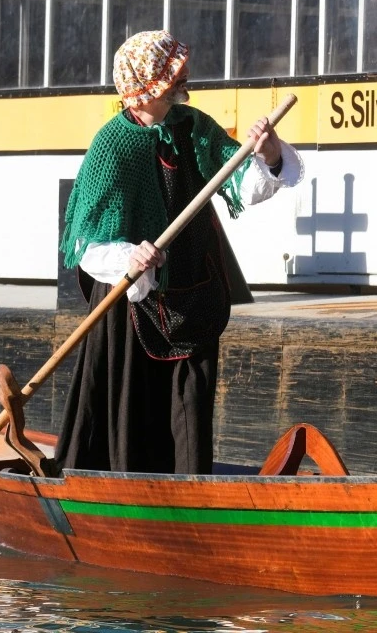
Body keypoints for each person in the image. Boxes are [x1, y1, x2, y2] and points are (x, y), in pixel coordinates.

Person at [56, 30, 303, 475]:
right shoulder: (110, 147)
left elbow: (241, 180)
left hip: (195, 285)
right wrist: (129, 257)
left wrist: (267, 154)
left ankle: (189, 493)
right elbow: (86, 240)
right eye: (172, 74)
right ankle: (121, 493)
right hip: (131, 299)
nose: (183, 79)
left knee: (191, 398)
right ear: (144, 86)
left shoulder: (193, 125)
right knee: (131, 402)